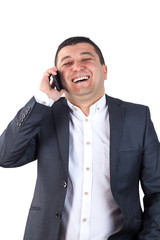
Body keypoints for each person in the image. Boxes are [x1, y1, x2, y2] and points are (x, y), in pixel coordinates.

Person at [0, 36, 160, 240]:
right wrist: (41, 100)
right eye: (67, 63)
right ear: (57, 77)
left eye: (86, 59)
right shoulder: (44, 116)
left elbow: (157, 190)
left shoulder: (137, 117)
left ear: (104, 70)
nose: (77, 67)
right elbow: (5, 156)